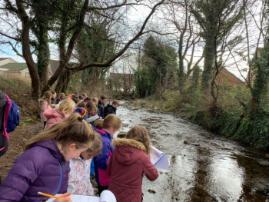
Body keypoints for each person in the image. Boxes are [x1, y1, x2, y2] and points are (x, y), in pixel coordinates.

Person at [0, 114, 96, 202]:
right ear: (72, 146)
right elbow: (6, 197)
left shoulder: (64, 161)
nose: (77, 156)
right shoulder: (35, 157)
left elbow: (59, 192)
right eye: (79, 152)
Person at [108, 126, 159, 202]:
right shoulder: (143, 157)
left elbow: (109, 170)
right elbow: (154, 176)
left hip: (113, 194)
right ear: (145, 140)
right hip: (131, 197)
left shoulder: (117, 149)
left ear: (128, 135)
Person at [94, 114, 121, 194]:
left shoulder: (102, 135)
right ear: (113, 128)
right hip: (104, 177)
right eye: (117, 130)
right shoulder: (105, 141)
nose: (116, 132)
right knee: (105, 195)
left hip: (102, 176)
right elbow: (101, 162)